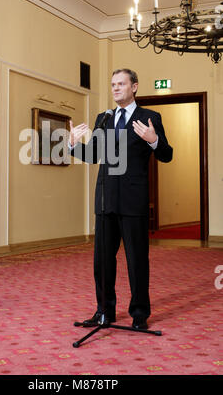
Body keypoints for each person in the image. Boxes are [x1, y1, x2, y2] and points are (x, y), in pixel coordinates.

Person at [69, 68, 173, 330]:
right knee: (102, 260)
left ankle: (139, 313)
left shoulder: (150, 117)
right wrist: (72, 145)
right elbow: (94, 156)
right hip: (105, 199)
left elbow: (167, 154)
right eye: (113, 84)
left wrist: (153, 140)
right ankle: (104, 311)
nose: (115, 88)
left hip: (133, 200)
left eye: (121, 84)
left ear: (134, 87)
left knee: (137, 259)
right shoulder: (104, 118)